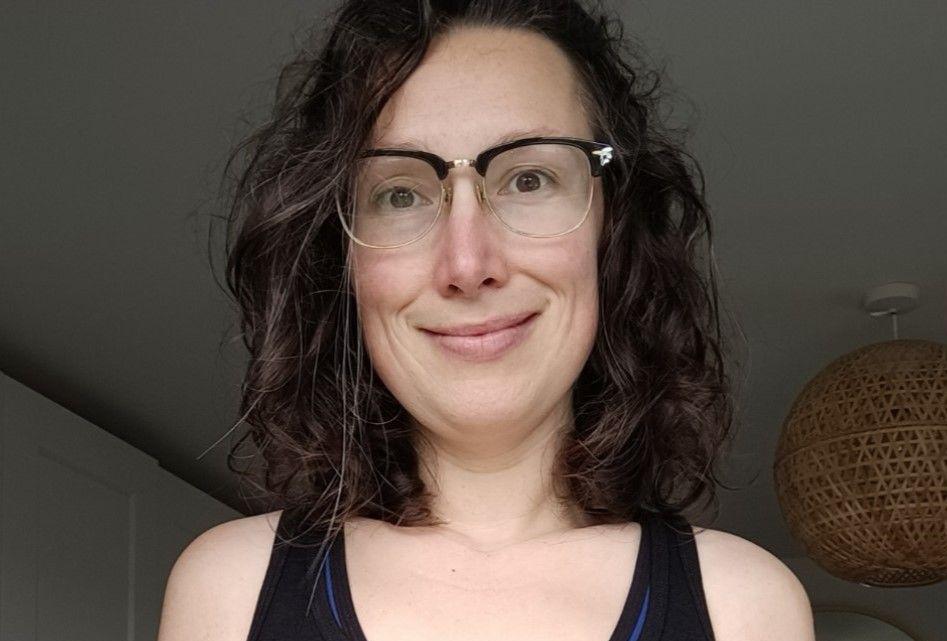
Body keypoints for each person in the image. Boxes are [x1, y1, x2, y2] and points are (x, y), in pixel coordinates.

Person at [158, 1, 815, 640]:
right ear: (342, 259)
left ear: (609, 227)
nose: (468, 262)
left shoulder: (745, 608)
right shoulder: (230, 593)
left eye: (528, 179)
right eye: (401, 193)